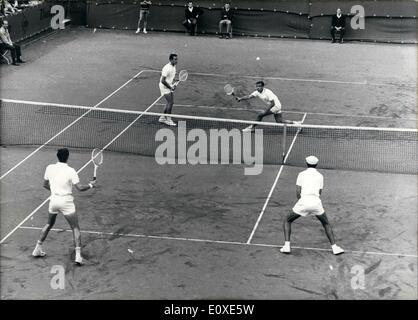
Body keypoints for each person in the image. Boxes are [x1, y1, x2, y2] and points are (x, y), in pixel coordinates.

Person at [32, 148, 96, 265]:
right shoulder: (71, 170)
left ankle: (37, 249)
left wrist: (56, 191)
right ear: (67, 157)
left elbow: (45, 185)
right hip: (66, 202)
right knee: (75, 228)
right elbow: (80, 188)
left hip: (54, 200)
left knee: (48, 224)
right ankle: (78, 256)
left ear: (57, 156)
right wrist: (91, 185)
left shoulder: (49, 168)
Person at [280, 156, 344, 255]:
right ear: (316, 164)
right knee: (326, 223)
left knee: (287, 220)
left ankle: (287, 246)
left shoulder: (301, 174)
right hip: (316, 203)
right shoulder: (320, 176)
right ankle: (335, 248)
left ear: (306, 163)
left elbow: (298, 191)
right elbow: (320, 192)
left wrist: (302, 203)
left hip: (303, 202)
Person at [158, 53, 178, 126]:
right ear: (171, 60)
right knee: (170, 102)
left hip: (168, 85)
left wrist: (173, 82)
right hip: (164, 86)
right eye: (175, 59)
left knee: (169, 102)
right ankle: (168, 120)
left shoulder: (174, 66)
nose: (176, 61)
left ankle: (163, 118)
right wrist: (171, 87)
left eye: (177, 59)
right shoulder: (167, 68)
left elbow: (170, 77)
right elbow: (162, 80)